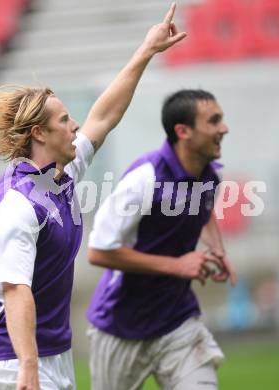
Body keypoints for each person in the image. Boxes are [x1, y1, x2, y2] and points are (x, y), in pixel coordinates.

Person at [0, 3, 186, 390]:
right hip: (15, 361)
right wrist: (28, 368)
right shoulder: (17, 205)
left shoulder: (59, 174)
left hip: (53, 354)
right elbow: (16, 292)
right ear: (39, 134)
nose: (76, 126)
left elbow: (104, 117)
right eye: (65, 120)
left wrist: (146, 50)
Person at [86, 89, 237, 390]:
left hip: (178, 321)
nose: (224, 128)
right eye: (214, 121)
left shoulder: (209, 176)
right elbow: (98, 253)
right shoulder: (145, 178)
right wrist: (178, 266)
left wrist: (217, 249)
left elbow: (203, 210)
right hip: (121, 325)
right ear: (183, 131)